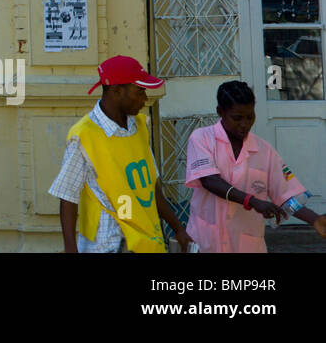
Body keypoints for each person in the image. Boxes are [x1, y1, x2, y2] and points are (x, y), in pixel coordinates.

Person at [48, 55, 192, 253]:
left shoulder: (139, 126)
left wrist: (178, 229)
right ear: (117, 91)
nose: (145, 99)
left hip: (143, 241)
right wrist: (70, 248)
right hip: (106, 244)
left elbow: (151, 186)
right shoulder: (83, 136)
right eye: (140, 91)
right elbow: (67, 196)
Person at [184, 80, 326, 252]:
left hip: (247, 244)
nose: (244, 124)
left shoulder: (264, 151)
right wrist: (251, 201)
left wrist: (314, 219)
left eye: (250, 117)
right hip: (207, 240)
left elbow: (286, 195)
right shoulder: (202, 139)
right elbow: (209, 180)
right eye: (237, 118)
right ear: (220, 112)